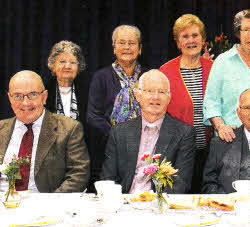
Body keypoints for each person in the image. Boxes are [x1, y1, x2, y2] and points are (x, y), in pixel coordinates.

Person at [102, 70, 195, 194]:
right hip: (124, 203)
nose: (155, 97)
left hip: (160, 205)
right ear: (138, 96)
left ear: (169, 98)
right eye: (149, 91)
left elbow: (181, 183)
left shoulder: (184, 134)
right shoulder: (119, 132)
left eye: (161, 92)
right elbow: (108, 178)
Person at [0, 70, 89, 192]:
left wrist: (49, 204)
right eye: (17, 96)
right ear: (10, 99)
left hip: (47, 204)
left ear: (44, 97)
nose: (25, 102)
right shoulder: (1, 129)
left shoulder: (69, 128)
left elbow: (78, 174)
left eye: (32, 95)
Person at [87, 25, 148, 191]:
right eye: (121, 43)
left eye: (132, 43)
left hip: (145, 145)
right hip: (109, 147)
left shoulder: (148, 77)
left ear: (140, 48)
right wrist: (118, 136)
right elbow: (93, 116)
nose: (127, 47)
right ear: (114, 48)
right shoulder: (101, 77)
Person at [159, 14, 213, 193]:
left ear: (203, 39)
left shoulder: (215, 68)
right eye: (185, 36)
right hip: (178, 153)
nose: (191, 41)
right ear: (178, 43)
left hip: (211, 151)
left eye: (195, 35)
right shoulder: (165, 72)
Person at [204, 9, 250, 143]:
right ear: (238, 33)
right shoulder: (223, 62)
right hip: (229, 137)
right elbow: (210, 101)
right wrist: (220, 127)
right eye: (246, 30)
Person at [45, 40, 89, 125]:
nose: (67, 66)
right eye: (62, 62)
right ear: (53, 65)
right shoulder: (43, 92)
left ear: (78, 67)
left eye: (72, 62)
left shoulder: (89, 92)